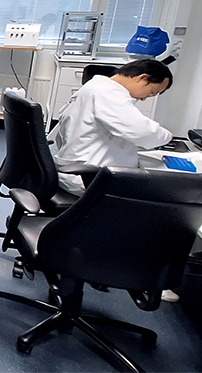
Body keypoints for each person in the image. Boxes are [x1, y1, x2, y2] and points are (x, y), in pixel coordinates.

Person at [46, 59, 178, 302]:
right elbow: (141, 132)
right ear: (142, 78)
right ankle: (143, 276)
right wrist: (166, 135)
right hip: (87, 176)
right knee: (163, 207)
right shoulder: (107, 94)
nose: (145, 99)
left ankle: (105, 262)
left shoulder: (96, 87)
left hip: (77, 167)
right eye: (151, 92)